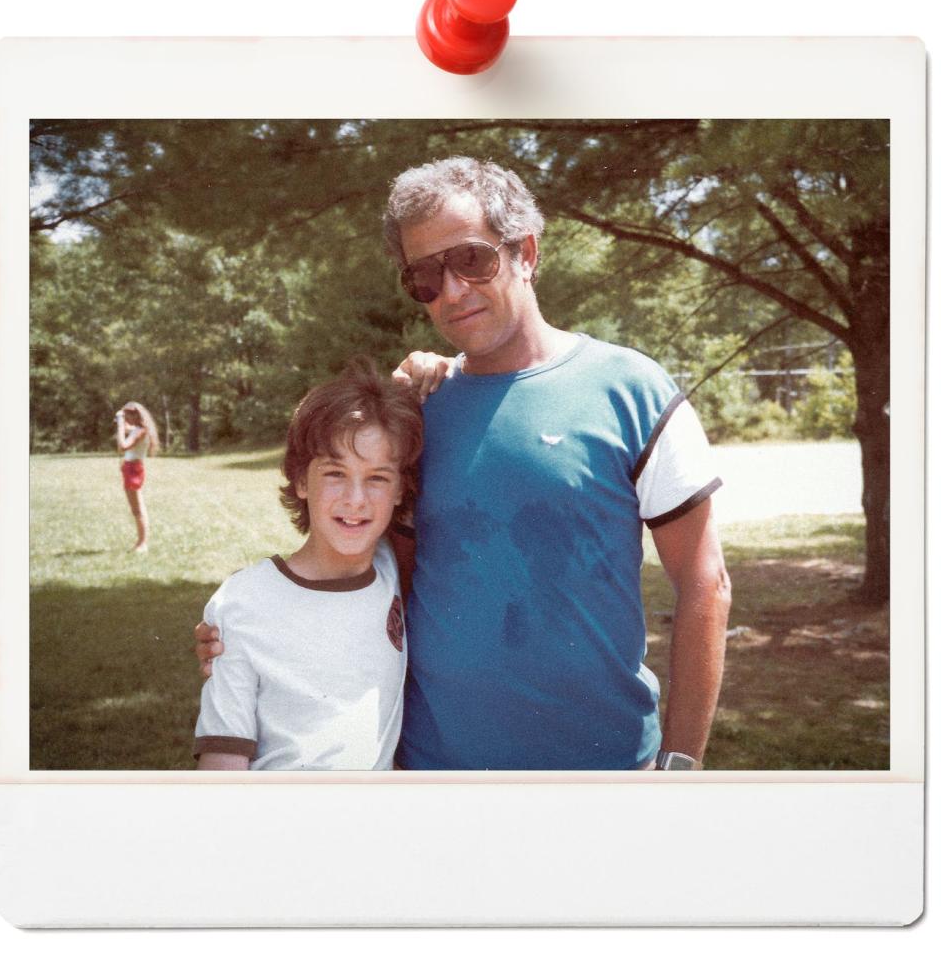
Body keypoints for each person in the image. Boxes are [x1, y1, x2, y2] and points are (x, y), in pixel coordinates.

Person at [197, 157, 731, 771]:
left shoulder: (633, 390)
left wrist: (681, 767)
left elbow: (705, 586)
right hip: (433, 775)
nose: (452, 291)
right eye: (424, 276)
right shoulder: (416, 412)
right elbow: (371, 572)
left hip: (603, 771)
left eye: (472, 260)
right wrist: (242, 637)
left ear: (527, 252)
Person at [194, 358, 423, 771]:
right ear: (301, 480)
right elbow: (223, 759)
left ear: (399, 491)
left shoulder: (391, 569)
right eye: (335, 473)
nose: (356, 498)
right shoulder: (242, 602)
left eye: (377, 478)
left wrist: (435, 367)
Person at [115, 401, 160, 553]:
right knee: (135, 509)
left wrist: (120, 425)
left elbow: (123, 446)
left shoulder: (142, 431)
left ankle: (143, 544)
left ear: (135, 415)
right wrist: (121, 422)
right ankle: (140, 542)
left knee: (138, 509)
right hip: (129, 468)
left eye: (128, 415)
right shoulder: (136, 429)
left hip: (134, 469)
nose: (126, 418)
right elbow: (128, 430)